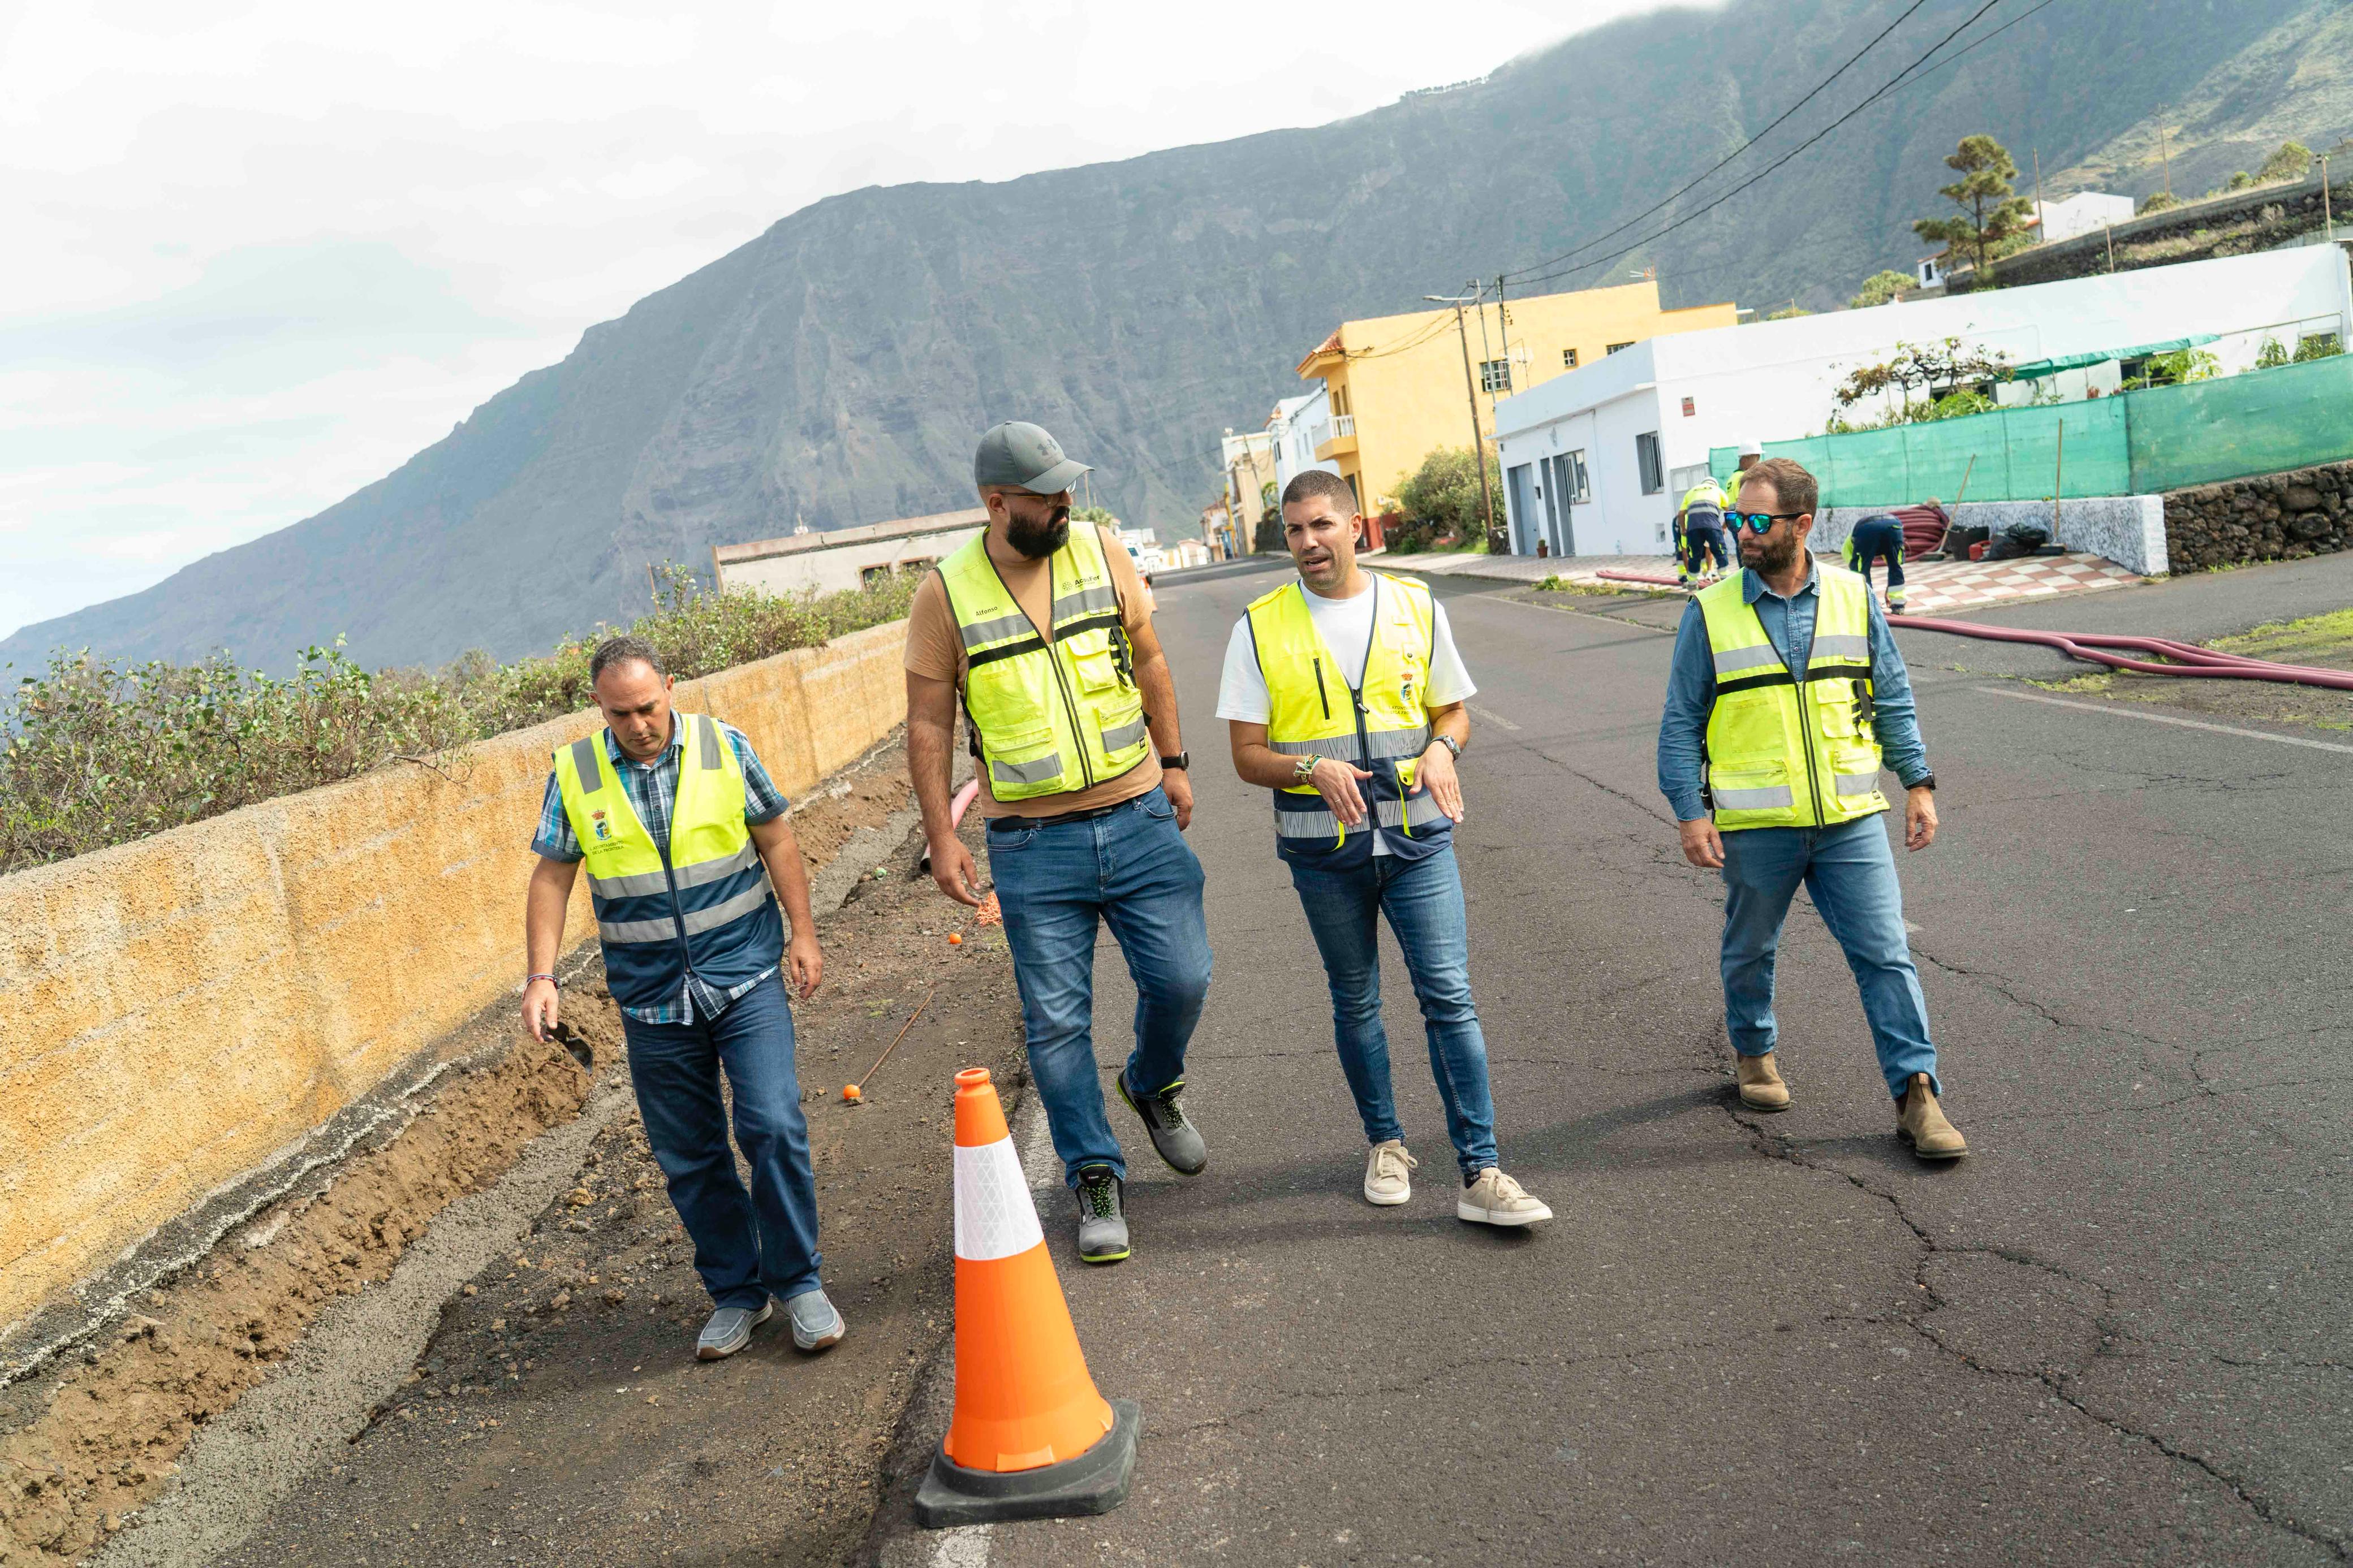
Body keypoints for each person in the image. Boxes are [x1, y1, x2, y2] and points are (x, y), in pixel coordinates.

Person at [905, 421, 1211, 1265]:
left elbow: (1149, 659)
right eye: (1046, 494)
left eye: (1068, 486)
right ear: (997, 503)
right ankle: (1094, 1174)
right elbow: (928, 723)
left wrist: (1174, 762)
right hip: (1032, 843)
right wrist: (941, 833)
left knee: (1184, 978)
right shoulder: (945, 594)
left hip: (1138, 813)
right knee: (1057, 1021)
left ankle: (1150, 1082)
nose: (1065, 502)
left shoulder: (1101, 551)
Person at [1219, 470, 1552, 1225]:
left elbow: (1454, 714)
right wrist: (1310, 768)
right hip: (1322, 853)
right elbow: (1246, 754)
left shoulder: (1415, 605)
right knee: (1356, 998)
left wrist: (1442, 749)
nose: (1307, 541)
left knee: (1448, 996)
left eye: (1321, 524)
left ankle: (1482, 1172)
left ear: (1355, 526)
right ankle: (1385, 1143)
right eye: (1295, 529)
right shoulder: (1258, 627)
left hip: (1417, 841)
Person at [521, 636, 844, 1360]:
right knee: (690, 1156)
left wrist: (803, 932)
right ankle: (738, 1293)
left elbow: (777, 839)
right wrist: (541, 975)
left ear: (670, 687)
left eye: (648, 706)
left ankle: (799, 1283)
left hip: (745, 976)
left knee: (771, 1125)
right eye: (621, 713)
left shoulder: (721, 745)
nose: (639, 724)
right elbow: (552, 876)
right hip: (651, 998)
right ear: (597, 707)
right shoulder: (575, 772)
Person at [1654, 457, 1966, 1160]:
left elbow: (1890, 695)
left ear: (1800, 525)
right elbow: (1679, 723)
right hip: (1758, 824)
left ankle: (1917, 1094)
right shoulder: (1709, 612)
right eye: (1734, 519)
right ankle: (1753, 1051)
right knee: (1749, 950)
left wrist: (1916, 782)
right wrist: (1688, 811)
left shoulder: (1854, 597)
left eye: (1754, 520)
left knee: (1884, 954)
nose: (1739, 532)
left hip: (1849, 818)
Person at [1675, 474, 1732, 588]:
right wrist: (1724, 527)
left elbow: (1681, 514)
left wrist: (1684, 529)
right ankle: (1726, 580)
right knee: (1720, 552)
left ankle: (1692, 584)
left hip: (1693, 527)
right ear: (1715, 484)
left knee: (1694, 555)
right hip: (1712, 525)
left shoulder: (1691, 492)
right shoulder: (1718, 490)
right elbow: (1729, 513)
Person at [1842, 512, 1908, 610]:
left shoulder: (1848, 547)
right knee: (1895, 566)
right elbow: (1894, 565)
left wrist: (1863, 565)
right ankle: (1898, 605)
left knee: (1861, 572)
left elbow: (1857, 570)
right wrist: (1890, 589)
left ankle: (1868, 605)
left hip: (1867, 530)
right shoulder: (1855, 540)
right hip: (1894, 526)